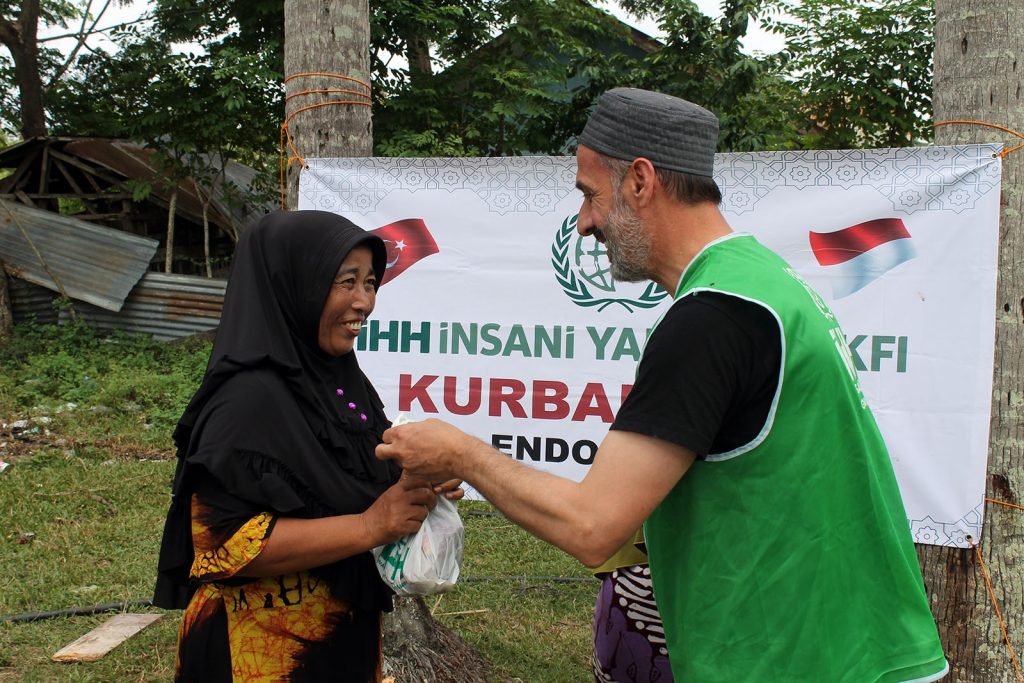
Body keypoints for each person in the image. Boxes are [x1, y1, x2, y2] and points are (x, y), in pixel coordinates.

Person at [376, 88, 948, 682]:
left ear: (641, 181)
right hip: (860, 649)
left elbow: (593, 527)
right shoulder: (764, 281)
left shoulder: (712, 316)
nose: (585, 222)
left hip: (802, 661)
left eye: (590, 195)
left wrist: (461, 453)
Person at [153, 210, 460, 682]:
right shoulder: (246, 401)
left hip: (339, 640)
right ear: (293, 283)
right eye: (346, 282)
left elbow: (353, 481)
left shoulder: (340, 383)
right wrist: (370, 525)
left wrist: (418, 481)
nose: (365, 302)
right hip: (255, 653)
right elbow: (221, 547)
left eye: (371, 283)